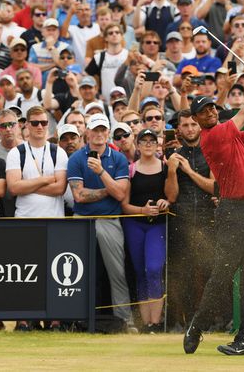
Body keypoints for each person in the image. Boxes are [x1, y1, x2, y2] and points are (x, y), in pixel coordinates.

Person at [184, 78, 244, 356]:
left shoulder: (229, 133)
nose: (211, 112)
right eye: (204, 111)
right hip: (233, 212)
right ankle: (197, 326)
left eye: (213, 108)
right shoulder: (213, 136)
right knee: (222, 275)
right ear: (197, 119)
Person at [67, 113, 134, 330]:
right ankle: (75, 317)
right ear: (87, 132)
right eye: (94, 130)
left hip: (109, 219)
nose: (98, 134)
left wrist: (101, 172)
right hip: (82, 220)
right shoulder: (77, 158)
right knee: (77, 271)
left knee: (117, 271)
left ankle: (125, 319)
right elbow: (79, 196)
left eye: (102, 130)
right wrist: (110, 189)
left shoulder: (118, 159)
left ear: (107, 133)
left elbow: (122, 196)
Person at [164, 110, 216, 330]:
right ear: (179, 129)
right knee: (181, 275)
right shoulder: (174, 155)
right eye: (185, 125)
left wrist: (188, 171)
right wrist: (173, 171)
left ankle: (211, 320)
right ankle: (182, 322)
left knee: (209, 272)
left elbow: (214, 186)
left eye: (193, 124)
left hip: (208, 220)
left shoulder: (211, 151)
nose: (190, 129)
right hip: (182, 221)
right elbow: (171, 196)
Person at [120, 128, 169, 333]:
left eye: (152, 140)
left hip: (157, 225)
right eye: (144, 141)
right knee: (140, 272)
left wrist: (166, 202)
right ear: (137, 145)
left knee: (154, 269)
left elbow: (172, 195)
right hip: (135, 224)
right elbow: (124, 205)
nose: (148, 144)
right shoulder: (131, 169)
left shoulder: (166, 168)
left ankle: (156, 323)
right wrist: (142, 210)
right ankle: (146, 322)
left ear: (158, 144)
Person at [6, 106, 67, 218]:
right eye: (35, 123)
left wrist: (26, 187)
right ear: (27, 125)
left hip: (54, 219)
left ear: (48, 124)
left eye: (43, 123)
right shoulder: (16, 153)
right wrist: (44, 180)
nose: (39, 126)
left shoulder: (59, 152)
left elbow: (60, 188)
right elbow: (14, 188)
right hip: (25, 218)